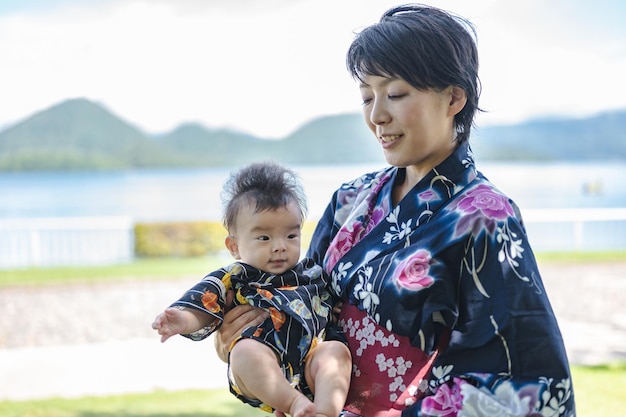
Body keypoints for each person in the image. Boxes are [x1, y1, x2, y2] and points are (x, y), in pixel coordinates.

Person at [213, 4, 576, 417]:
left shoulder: (486, 217)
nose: (376, 115)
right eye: (367, 96)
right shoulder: (350, 199)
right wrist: (245, 336)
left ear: (455, 96)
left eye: (396, 94)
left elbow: (531, 383)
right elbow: (301, 303)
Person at [152, 161, 351, 417]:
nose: (280, 246)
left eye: (291, 236)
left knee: (336, 352)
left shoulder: (310, 273)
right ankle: (293, 403)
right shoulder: (236, 277)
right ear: (234, 247)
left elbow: (334, 301)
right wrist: (182, 318)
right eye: (264, 238)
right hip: (263, 368)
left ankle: (323, 412)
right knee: (245, 352)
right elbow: (205, 302)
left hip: (310, 361)